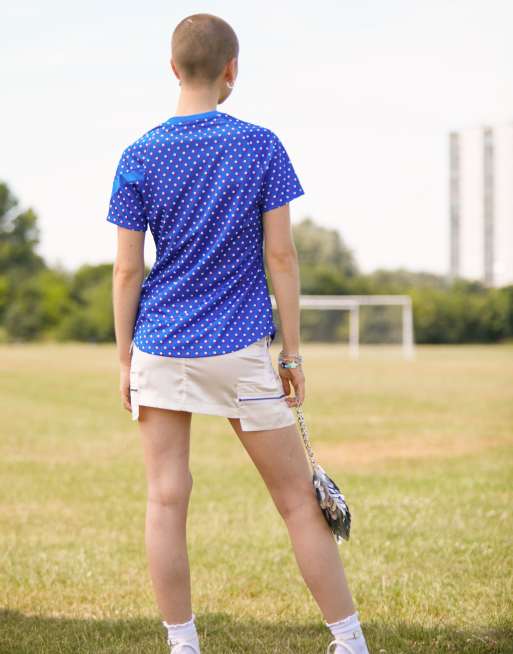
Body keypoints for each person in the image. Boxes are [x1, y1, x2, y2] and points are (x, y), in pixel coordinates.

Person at [105, 12, 370, 654]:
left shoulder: (137, 154)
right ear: (232, 71)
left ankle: (183, 645)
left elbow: (127, 269)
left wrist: (123, 361)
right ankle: (350, 642)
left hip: (161, 347)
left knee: (166, 501)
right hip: (242, 350)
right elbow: (282, 258)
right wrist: (295, 352)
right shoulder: (261, 145)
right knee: (297, 503)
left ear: (173, 68)